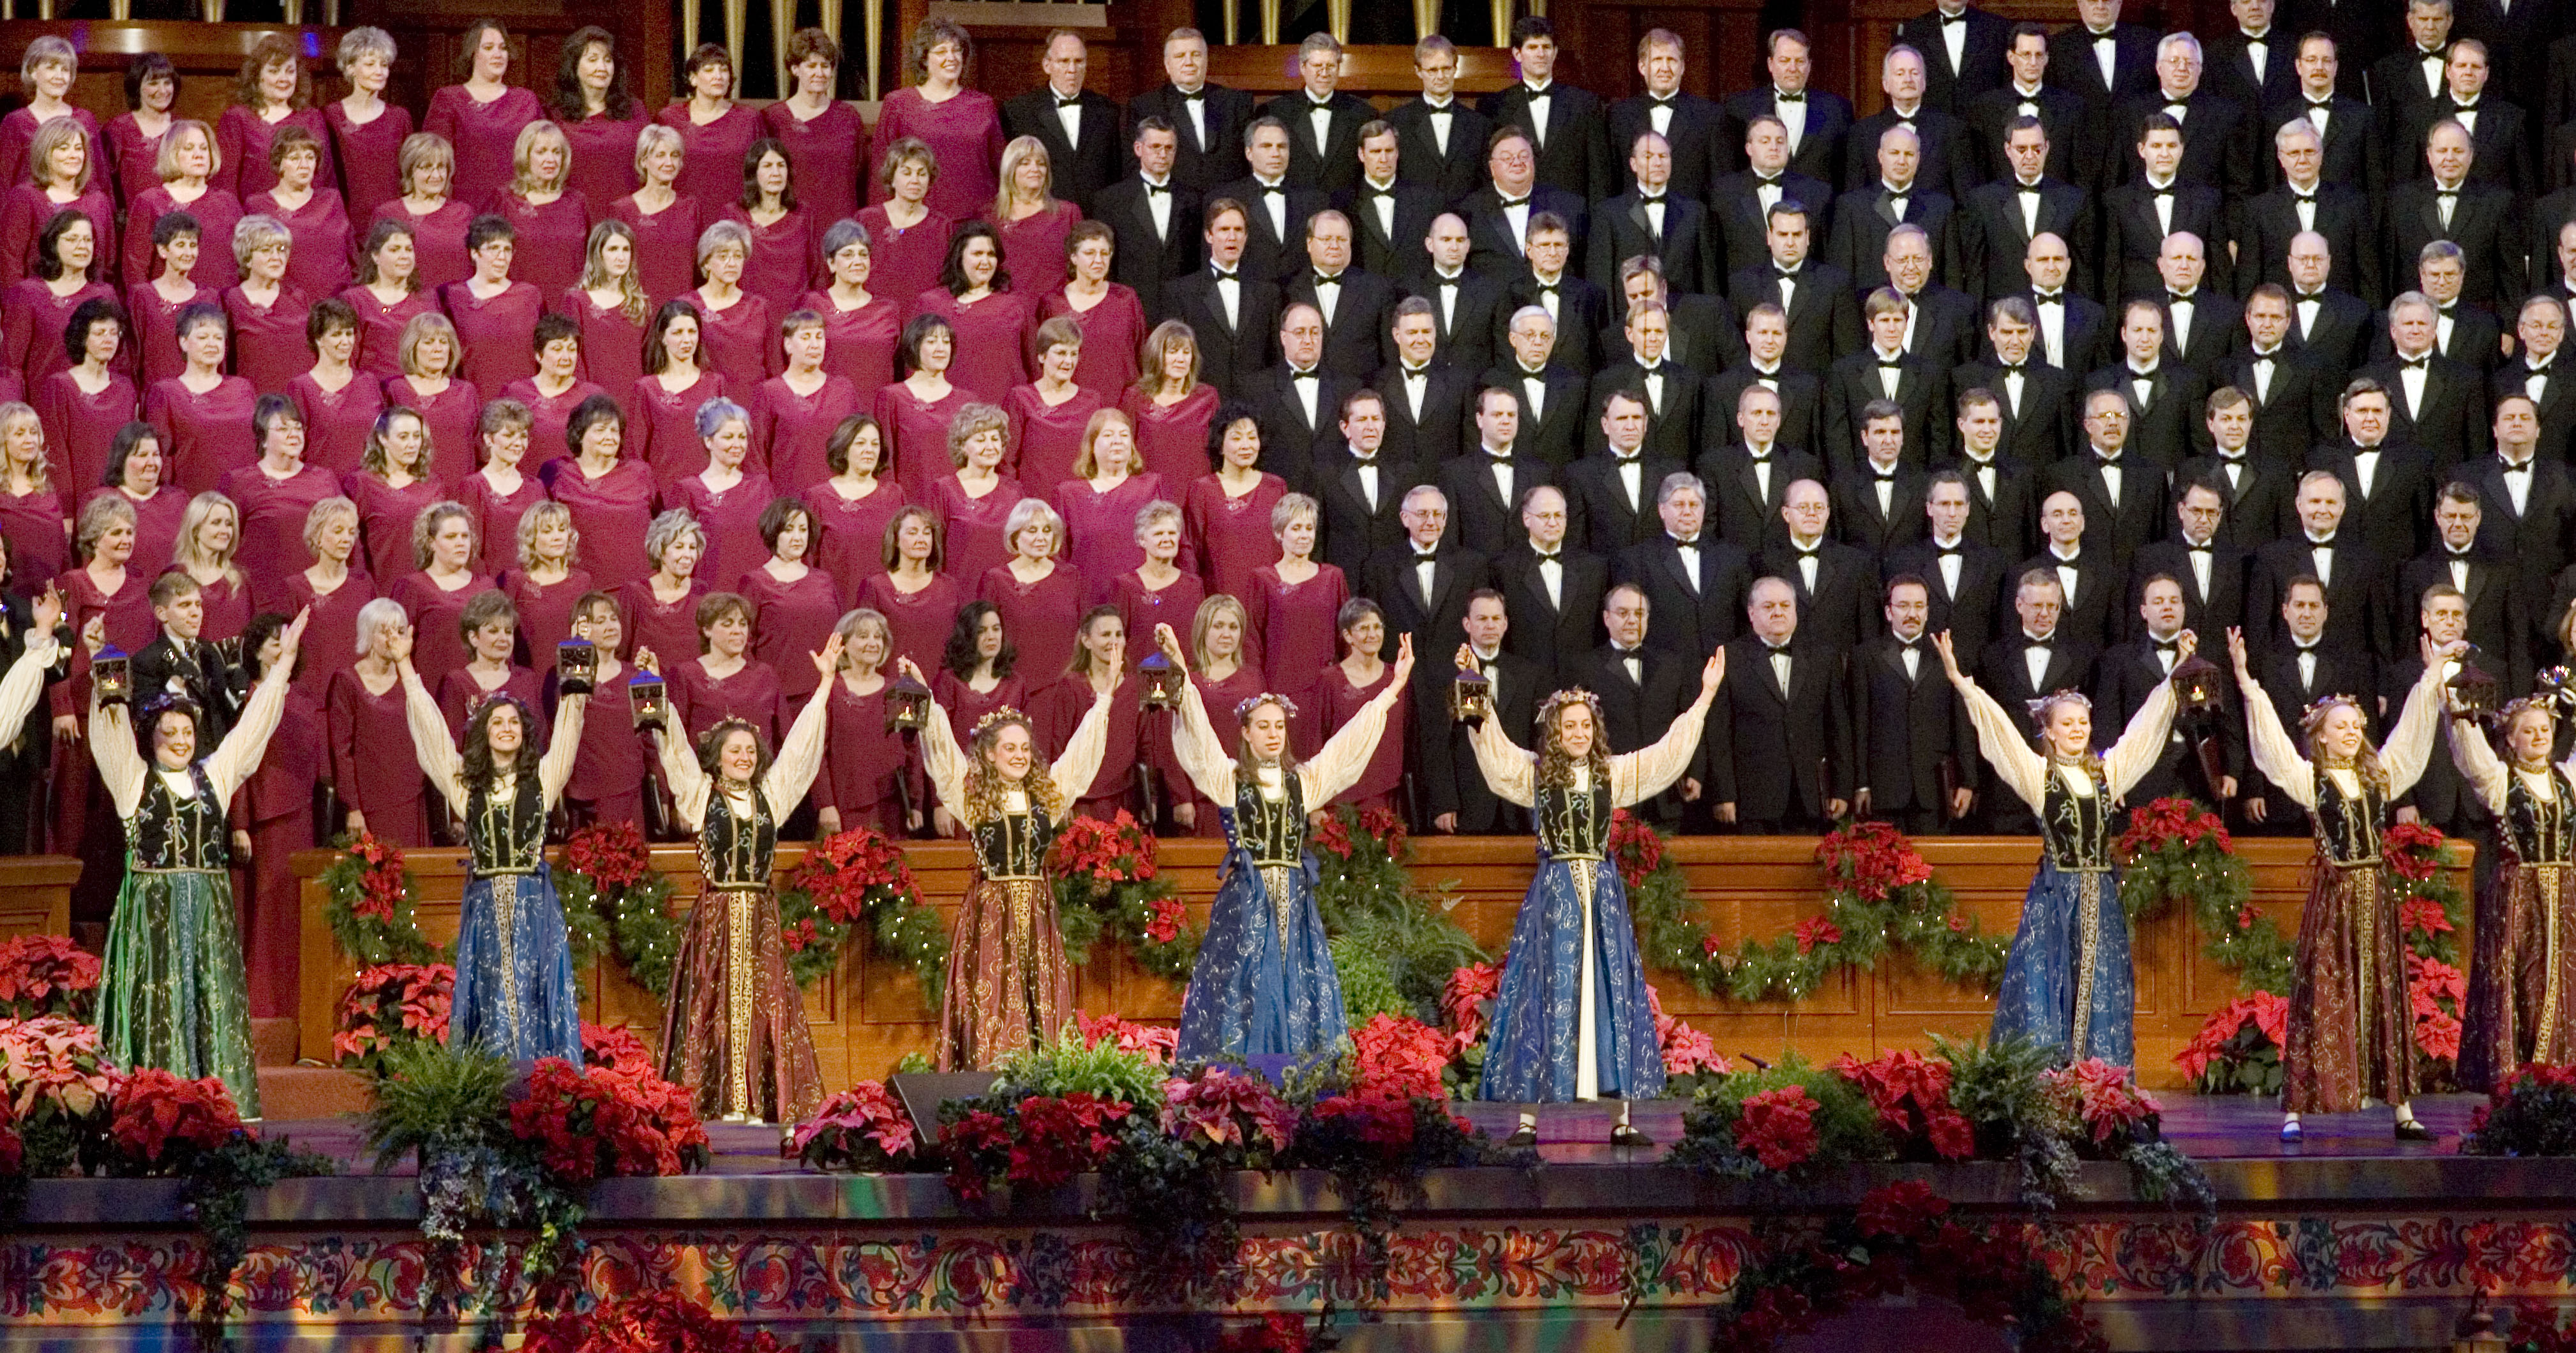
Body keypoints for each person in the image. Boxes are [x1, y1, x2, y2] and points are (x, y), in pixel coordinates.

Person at [1472, 646, 1724, 1147]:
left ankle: (1621, 1119)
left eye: (1585, 725)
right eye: (1569, 726)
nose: (1579, 734)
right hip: (1555, 896)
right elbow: (1494, 748)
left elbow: (1666, 755)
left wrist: (1705, 697)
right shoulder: (1535, 774)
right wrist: (1475, 684)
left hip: (1602, 896)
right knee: (1542, 994)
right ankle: (1527, 1120)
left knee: (1611, 992)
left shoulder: (1613, 773)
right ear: (1555, 732)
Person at [2234, 626, 2452, 1141]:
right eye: (2342, 726)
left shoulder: (2379, 777)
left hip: (2375, 898)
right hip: (2334, 902)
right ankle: (2297, 1109)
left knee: (2384, 995)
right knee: (2323, 996)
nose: (2352, 732)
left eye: (2357, 725)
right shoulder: (2312, 780)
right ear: (2322, 735)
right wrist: (2248, 684)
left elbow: (2412, 733)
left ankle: (2401, 1109)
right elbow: (2272, 748)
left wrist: (2431, 678)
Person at [1161, 621, 1411, 1061]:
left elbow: (1347, 745)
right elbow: (1198, 735)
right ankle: (1241, 1070)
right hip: (1247, 898)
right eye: (1264, 726)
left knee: (1296, 978)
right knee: (1245, 981)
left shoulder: (1303, 782)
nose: (1274, 733)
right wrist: (1180, 667)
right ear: (1246, 732)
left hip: (1294, 901)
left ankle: (1296, 1067)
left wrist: (1392, 689)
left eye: (1279, 725)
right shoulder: (1230, 780)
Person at [1935, 625, 2185, 1066]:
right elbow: (2002, 735)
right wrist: (1962, 683)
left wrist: (2175, 674)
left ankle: (2099, 1080)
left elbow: (2144, 731)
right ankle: (2049, 1079)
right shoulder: (2039, 777)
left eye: (2082, 723)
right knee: (2046, 987)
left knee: (2101, 988)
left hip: (2101, 899)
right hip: (2055, 900)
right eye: (2066, 724)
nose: (2077, 730)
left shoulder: (2106, 774)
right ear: (2049, 732)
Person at [92, 603, 301, 1118]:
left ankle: (216, 1111)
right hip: (154, 922)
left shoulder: (216, 776)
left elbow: (252, 728)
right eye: (171, 734)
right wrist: (101, 672)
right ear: (152, 739)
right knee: (159, 1006)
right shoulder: (134, 782)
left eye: (187, 733)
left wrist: (281, 668)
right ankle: (153, 1108)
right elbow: (111, 732)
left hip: (208, 919)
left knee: (211, 1004)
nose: (182, 741)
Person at [651, 631, 842, 1122]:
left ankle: (759, 1102)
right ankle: (715, 1104)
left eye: (751, 751)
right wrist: (656, 691)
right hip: (716, 919)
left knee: (763, 1006)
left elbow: (800, 751)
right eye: (734, 751)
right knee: (712, 1006)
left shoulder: (771, 797)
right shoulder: (701, 796)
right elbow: (675, 751)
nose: (744, 757)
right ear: (717, 757)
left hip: (759, 918)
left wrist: (824, 685)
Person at [910, 650, 1114, 1068]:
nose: (1020, 755)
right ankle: (990, 1069)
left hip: (1038, 910)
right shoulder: (973, 797)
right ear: (989, 755)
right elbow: (944, 756)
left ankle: (1044, 1074)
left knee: (1039, 990)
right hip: (991, 911)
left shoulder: (1046, 795)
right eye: (1009, 748)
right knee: (994, 991)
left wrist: (1105, 699)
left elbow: (1079, 758)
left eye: (1025, 748)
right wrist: (926, 699)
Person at [396, 613, 587, 1061]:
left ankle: (537, 1078)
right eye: (497, 722)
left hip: (534, 905)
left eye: (514, 723)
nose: (506, 728)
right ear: (484, 732)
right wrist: (405, 666)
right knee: (490, 990)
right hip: (484, 907)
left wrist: (577, 660)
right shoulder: (467, 785)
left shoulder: (542, 780)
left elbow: (569, 729)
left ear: (524, 733)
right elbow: (433, 735)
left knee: (535, 987)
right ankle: (495, 1078)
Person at [2446, 696, 2576, 1093]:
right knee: (2521, 980)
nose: (2539, 736)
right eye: (2528, 731)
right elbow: (2470, 751)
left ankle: (2563, 1074)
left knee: (2564, 979)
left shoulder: (2567, 778)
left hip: (2566, 896)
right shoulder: (2501, 780)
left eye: (2545, 729)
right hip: (2519, 895)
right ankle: (2521, 1078)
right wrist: (2456, 705)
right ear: (2511, 739)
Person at [232, 609, 322, 1019]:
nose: (284, 648)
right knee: (266, 911)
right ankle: (264, 1004)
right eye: (274, 642)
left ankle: (297, 1002)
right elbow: (237, 765)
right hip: (264, 818)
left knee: (295, 910)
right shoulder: (246, 696)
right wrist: (240, 824)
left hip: (301, 816)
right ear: (256, 651)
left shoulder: (304, 697)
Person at [872, 19, 1005, 221]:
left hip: (976, 223)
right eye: (941, 51)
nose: (951, 58)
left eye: (957, 50)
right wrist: (882, 222)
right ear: (924, 59)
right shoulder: (899, 104)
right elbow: (880, 172)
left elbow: (1001, 167)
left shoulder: (983, 105)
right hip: (918, 221)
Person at [815, 608, 922, 837]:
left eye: (878, 637)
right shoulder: (831, 689)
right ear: (844, 644)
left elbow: (913, 747)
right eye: (863, 636)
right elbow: (816, 752)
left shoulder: (898, 691)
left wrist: (916, 803)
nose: (873, 643)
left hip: (892, 809)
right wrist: (826, 804)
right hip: (844, 809)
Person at [424, 20, 545, 211]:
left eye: (503, 48)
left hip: (518, 210)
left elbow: (545, 154)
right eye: (488, 48)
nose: (498, 54)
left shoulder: (525, 100)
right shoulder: (449, 99)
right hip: (465, 209)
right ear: (472, 53)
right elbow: (433, 160)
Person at [218, 393, 337, 583]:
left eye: (298, 428)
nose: (294, 434)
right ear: (263, 438)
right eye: (283, 428)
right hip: (262, 591)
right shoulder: (239, 483)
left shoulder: (325, 479)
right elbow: (220, 546)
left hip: (316, 588)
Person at [912, 221, 1033, 404]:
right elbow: (914, 366)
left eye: (991, 254)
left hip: (1000, 411)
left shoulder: (1015, 305)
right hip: (946, 410)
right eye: (977, 254)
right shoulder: (931, 304)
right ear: (959, 257)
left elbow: (1034, 366)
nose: (985, 261)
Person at [761, 29, 866, 228]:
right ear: (795, 69)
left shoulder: (849, 117)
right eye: (811, 66)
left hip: (840, 226)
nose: (820, 73)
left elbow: (860, 174)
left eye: (825, 66)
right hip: (790, 226)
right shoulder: (773, 118)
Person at [123, 121, 244, 292]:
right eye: (189, 148)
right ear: (172, 154)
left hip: (220, 302)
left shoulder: (227, 202)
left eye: (204, 148)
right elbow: (135, 268)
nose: (199, 155)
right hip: (169, 302)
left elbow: (244, 261)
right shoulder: (150, 202)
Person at [741, 497, 839, 705]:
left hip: (824, 692)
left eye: (803, 530)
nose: (797, 537)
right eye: (789, 529)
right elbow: (744, 644)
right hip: (776, 697)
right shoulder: (755, 583)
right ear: (774, 532)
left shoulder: (824, 580)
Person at [549, 396, 655, 589]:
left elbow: (661, 522)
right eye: (600, 430)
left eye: (614, 431)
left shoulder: (640, 472)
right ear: (580, 435)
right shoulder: (558, 472)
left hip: (634, 589)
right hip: (577, 587)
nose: (610, 437)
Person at [666, 398, 774, 586]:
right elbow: (676, 553)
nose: (737, 444)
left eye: (742, 437)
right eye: (728, 437)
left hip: (758, 591)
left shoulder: (761, 486)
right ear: (709, 441)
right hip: (711, 593)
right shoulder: (688, 490)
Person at [0, 119, 114, 292]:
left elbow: (106, 263)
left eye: (78, 148)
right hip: (35, 299)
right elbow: (10, 260)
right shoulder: (25, 197)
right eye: (64, 148)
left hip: (88, 301)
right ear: (45, 153)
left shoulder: (98, 201)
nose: (74, 155)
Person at [1185, 403, 1284, 601]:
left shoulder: (1276, 487)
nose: (1246, 446)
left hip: (1269, 600)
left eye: (1252, 437)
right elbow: (1190, 555)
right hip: (1220, 604)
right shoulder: (1202, 490)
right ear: (1220, 445)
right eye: (1236, 438)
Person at [756, 310, 864, 492]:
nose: (815, 345)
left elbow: (857, 444)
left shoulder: (843, 390)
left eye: (819, 337)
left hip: (835, 497)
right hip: (787, 498)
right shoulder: (770, 391)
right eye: (806, 337)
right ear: (788, 344)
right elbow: (757, 454)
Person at [387, 501, 493, 685]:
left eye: (465, 536)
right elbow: (394, 652)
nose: (461, 543)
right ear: (431, 543)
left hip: (479, 693)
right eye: (451, 537)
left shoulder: (487, 587)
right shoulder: (412, 587)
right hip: (429, 693)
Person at [438, 216, 544, 397]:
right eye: (494, 248)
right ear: (474, 252)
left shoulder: (530, 296)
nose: (502, 257)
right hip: (473, 399)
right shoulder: (452, 296)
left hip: (522, 403)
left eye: (507, 250)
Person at [978, 498, 1082, 681]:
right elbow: (983, 639)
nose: (1041, 538)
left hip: (1064, 684)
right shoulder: (996, 580)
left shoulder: (1072, 577)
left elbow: (1084, 634)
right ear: (1015, 536)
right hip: (1013, 682)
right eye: (1032, 530)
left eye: (1047, 530)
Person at [1044, 223, 1146, 400]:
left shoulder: (1126, 299)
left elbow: (1143, 351)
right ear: (1074, 257)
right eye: (1090, 253)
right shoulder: (1053, 303)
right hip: (1072, 405)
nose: (1099, 260)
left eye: (1104, 253)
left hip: (1121, 405)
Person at [630, 301, 728, 485]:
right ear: (662, 337)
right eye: (678, 333)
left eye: (692, 332)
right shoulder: (647, 388)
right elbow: (635, 451)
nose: (687, 340)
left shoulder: (715, 384)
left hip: (706, 487)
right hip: (662, 488)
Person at [801, 220, 901, 398]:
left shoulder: (888, 310)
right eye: (848, 255)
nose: (858, 261)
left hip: (875, 409)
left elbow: (900, 367)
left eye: (863, 254)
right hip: (828, 405)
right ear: (831, 263)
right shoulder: (814, 304)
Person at [552, 26, 647, 211]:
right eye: (593, 60)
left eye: (608, 60)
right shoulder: (555, 115)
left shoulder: (635, 110)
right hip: (573, 215)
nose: (602, 68)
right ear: (574, 66)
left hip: (626, 216)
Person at [859, 505, 962, 674]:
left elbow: (961, 646)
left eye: (927, 533)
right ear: (896, 540)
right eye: (913, 532)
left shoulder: (949, 587)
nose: (921, 539)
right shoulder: (875, 587)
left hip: (939, 686)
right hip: (891, 684)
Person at [488, 122, 587, 298]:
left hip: (567, 305)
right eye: (541, 152)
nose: (551, 159)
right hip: (520, 303)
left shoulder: (577, 202)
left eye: (556, 152)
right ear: (525, 156)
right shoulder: (505, 200)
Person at [855, 138, 954, 313]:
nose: (915, 180)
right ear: (892, 179)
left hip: (923, 320)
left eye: (921, 174)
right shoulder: (866, 220)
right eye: (907, 173)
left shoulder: (942, 227)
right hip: (873, 317)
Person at [1007, 316, 1106, 488]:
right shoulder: (1021, 398)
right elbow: (1007, 462)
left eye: (1074, 354)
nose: (1069, 361)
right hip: (1033, 500)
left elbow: (1099, 460)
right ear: (1042, 356)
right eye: (1061, 353)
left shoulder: (1092, 402)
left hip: (1077, 499)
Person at [344, 406, 440, 581]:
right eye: (403, 437)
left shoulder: (433, 485)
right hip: (378, 585)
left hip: (424, 587)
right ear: (383, 439)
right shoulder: (362, 483)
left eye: (417, 436)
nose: (412, 444)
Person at [326, 29, 411, 226]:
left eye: (384, 65)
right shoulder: (331, 116)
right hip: (344, 219)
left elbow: (408, 174)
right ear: (350, 68)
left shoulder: (399, 118)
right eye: (370, 64)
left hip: (390, 222)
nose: (379, 72)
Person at [290, 300, 385, 476]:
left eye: (349, 334)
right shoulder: (301, 387)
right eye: (336, 335)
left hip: (367, 483)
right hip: (323, 484)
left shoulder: (369, 382)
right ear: (319, 339)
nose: (346, 341)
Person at [934, 601, 1026, 777]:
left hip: (1005, 782)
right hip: (958, 781)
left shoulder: (1016, 684)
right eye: (981, 631)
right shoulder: (949, 681)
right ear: (968, 636)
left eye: (996, 629)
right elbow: (937, 742)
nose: (991, 637)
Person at [433, 588, 542, 737]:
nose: (503, 638)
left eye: (508, 631)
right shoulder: (457, 683)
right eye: (494, 631)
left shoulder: (527, 680)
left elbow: (539, 739)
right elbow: (450, 743)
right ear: (473, 638)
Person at [611, 124, 700, 305]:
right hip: (635, 307)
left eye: (674, 156)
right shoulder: (622, 210)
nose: (669, 163)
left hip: (680, 311)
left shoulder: (691, 208)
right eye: (661, 155)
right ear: (644, 161)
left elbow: (699, 266)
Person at [500, 498, 588, 679]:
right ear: (531, 538)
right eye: (548, 531)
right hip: (528, 680)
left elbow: (587, 640)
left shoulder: (582, 581)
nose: (558, 537)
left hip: (572, 679)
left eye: (562, 530)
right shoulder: (516, 581)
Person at [563, 220, 652, 398]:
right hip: (592, 400)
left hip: (631, 399)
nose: (621, 257)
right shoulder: (578, 301)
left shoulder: (638, 303)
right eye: (613, 249)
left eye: (626, 250)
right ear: (598, 254)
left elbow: (647, 359)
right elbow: (572, 357)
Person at [688, 221, 777, 396]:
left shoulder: (759, 308)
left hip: (752, 403)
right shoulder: (690, 307)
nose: (732, 263)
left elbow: (773, 367)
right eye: (723, 256)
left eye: (738, 256)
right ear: (706, 263)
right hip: (707, 403)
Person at [727, 138, 817, 313]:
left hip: (794, 315)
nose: (776, 173)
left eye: (781, 166)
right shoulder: (734, 215)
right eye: (767, 166)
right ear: (754, 172)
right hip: (747, 313)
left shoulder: (803, 215)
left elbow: (814, 268)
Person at [341, 221, 437, 380]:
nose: (404, 256)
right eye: (395, 250)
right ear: (376, 256)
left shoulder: (426, 299)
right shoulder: (355, 300)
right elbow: (347, 359)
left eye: (409, 249)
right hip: (372, 389)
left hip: (416, 388)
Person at [461, 400, 544, 578]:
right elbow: (472, 551)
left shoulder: (536, 488)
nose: (518, 443)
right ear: (489, 439)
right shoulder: (473, 487)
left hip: (530, 584)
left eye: (523, 436)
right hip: (490, 586)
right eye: (509, 435)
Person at [110, 54, 185, 211]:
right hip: (134, 217)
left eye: (167, 83)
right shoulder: (119, 128)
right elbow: (106, 182)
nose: (162, 90)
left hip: (176, 219)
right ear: (137, 86)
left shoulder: (184, 129)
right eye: (153, 83)